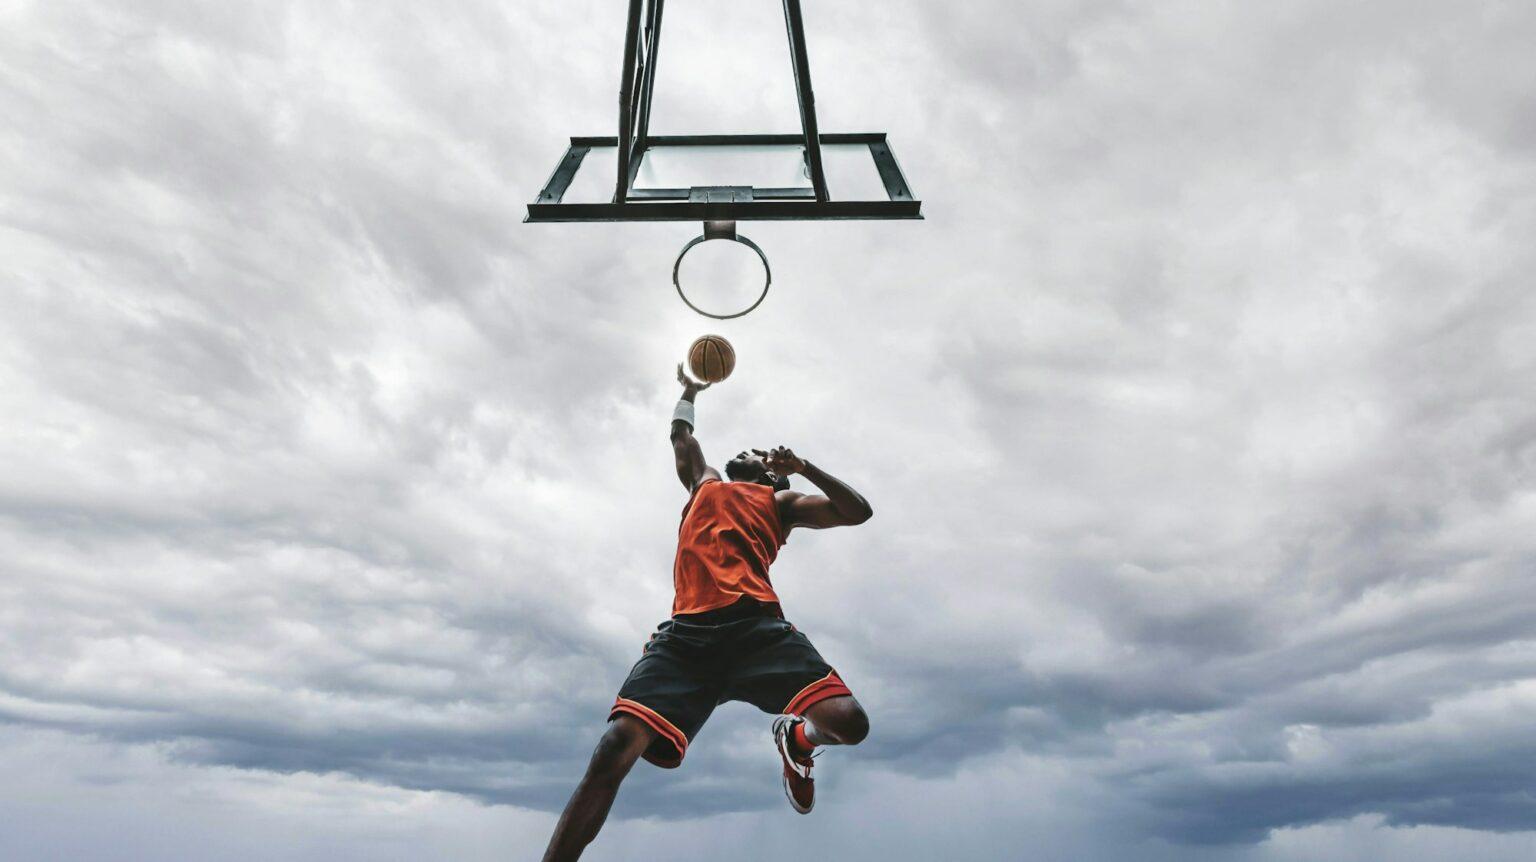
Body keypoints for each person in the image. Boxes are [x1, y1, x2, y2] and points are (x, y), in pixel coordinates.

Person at [540, 365, 875, 861]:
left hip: (757, 629)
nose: (746, 451)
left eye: (758, 455)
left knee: (850, 723)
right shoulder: (705, 484)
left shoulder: (780, 502)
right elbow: (681, 437)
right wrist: (688, 392)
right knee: (614, 747)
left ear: (770, 473)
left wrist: (804, 467)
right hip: (686, 638)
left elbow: (857, 510)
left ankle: (799, 741)